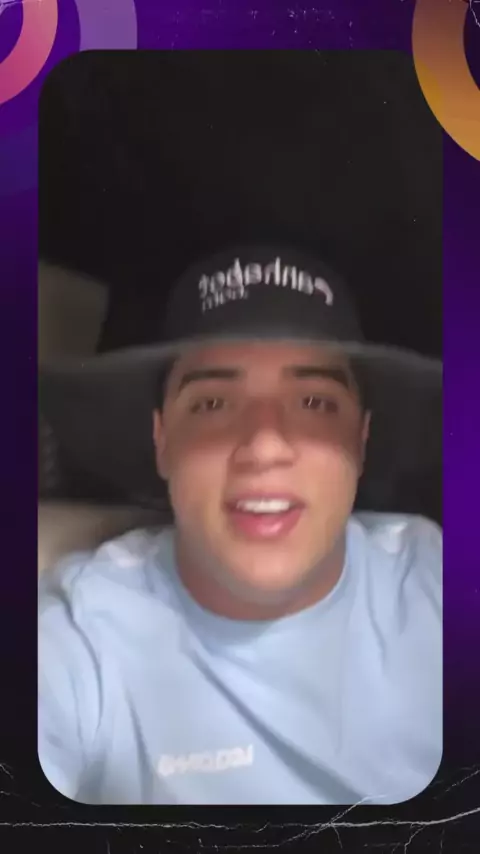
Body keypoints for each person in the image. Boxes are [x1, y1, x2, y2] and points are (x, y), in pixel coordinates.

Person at [38, 244, 442, 805]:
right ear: (162, 439)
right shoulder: (78, 638)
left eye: (314, 401)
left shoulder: (437, 580)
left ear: (361, 439)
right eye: (212, 404)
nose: (265, 447)